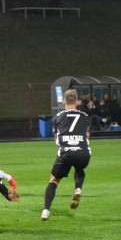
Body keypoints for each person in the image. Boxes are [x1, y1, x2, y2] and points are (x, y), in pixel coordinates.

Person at [41, 89, 91, 221]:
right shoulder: (85, 116)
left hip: (66, 152)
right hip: (83, 152)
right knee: (79, 169)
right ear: (78, 102)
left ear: (63, 102)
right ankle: (78, 189)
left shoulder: (57, 117)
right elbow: (87, 137)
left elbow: (58, 142)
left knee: (54, 180)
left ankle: (46, 211)